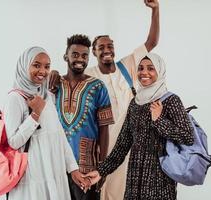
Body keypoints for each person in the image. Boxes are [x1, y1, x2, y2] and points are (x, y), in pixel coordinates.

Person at [85, 52, 195, 200]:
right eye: (141, 68)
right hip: (134, 181)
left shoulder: (170, 101)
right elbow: (122, 146)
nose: (144, 72)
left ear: (159, 71)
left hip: (160, 183)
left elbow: (187, 137)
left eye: (150, 68)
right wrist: (100, 172)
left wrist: (159, 120)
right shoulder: (135, 103)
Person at [84, 1, 160, 199]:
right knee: (107, 190)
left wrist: (155, 10)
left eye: (110, 45)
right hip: (105, 145)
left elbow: (151, 42)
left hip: (133, 140)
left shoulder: (127, 66)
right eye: (102, 47)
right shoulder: (88, 75)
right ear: (94, 52)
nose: (107, 49)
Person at [3, 46, 88, 200]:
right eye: (36, 65)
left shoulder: (48, 95)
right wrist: (35, 114)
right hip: (33, 176)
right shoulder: (15, 98)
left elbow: (59, 135)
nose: (42, 71)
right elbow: (14, 142)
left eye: (47, 66)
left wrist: (73, 169)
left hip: (55, 171)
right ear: (24, 65)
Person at [55, 34, 114, 200]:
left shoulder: (98, 87)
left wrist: (103, 168)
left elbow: (104, 129)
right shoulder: (55, 85)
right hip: (57, 165)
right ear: (66, 56)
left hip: (87, 166)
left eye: (84, 55)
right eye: (75, 55)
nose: (80, 59)